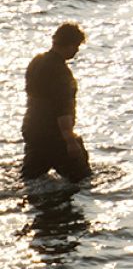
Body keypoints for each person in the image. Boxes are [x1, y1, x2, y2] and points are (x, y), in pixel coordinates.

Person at [22, 23, 92, 182]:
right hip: (54, 135)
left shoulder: (36, 62)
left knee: (31, 179)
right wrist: (70, 141)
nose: (77, 51)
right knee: (82, 179)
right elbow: (63, 109)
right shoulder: (61, 72)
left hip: (32, 129)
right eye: (77, 46)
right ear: (71, 45)